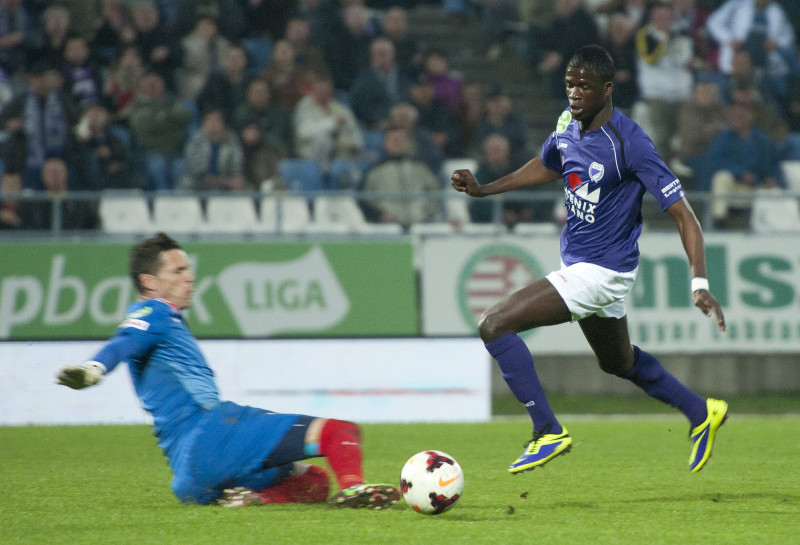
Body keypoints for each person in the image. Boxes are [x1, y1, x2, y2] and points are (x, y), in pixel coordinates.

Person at [451, 45, 728, 475]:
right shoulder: (567, 124)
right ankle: (700, 412)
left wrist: (699, 283)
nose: (575, 94)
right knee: (618, 362)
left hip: (602, 272)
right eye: (569, 85)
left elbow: (684, 216)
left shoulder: (630, 143)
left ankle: (547, 431)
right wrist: (485, 189)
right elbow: (548, 165)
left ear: (607, 88)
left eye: (584, 86)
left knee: (494, 324)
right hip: (583, 266)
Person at [56, 232, 401, 509]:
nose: (190, 277)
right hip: (212, 434)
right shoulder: (155, 311)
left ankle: (253, 499)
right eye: (178, 271)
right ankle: (354, 488)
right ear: (149, 281)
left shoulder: (161, 321)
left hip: (189, 479)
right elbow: (124, 342)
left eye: (188, 269)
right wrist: (95, 367)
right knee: (339, 432)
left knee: (314, 481)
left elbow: (130, 341)